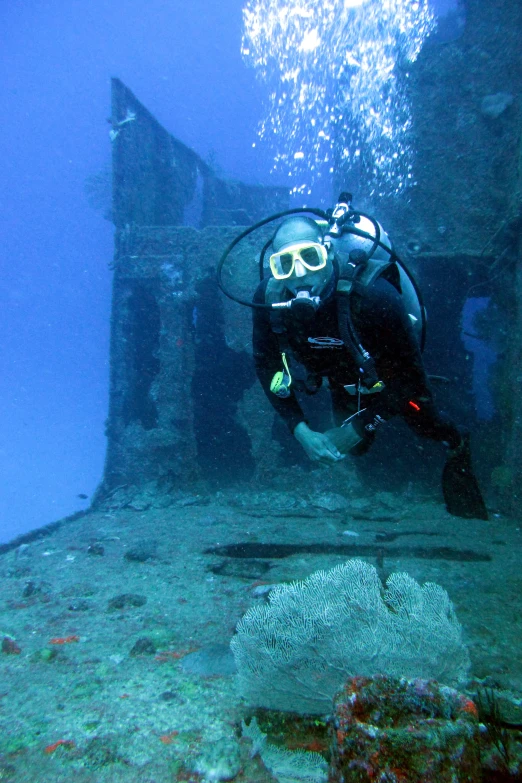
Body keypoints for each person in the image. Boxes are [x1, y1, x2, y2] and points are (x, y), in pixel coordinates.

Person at [250, 207, 488, 520]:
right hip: (343, 379)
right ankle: (366, 426)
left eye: (310, 257)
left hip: (391, 378)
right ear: (274, 267)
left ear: (328, 252)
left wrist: (362, 424)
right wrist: (299, 428)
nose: (300, 273)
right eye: (285, 263)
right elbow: (268, 367)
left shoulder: (374, 296)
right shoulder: (269, 300)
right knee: (356, 448)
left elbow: (412, 380)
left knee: (424, 421)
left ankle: (457, 443)